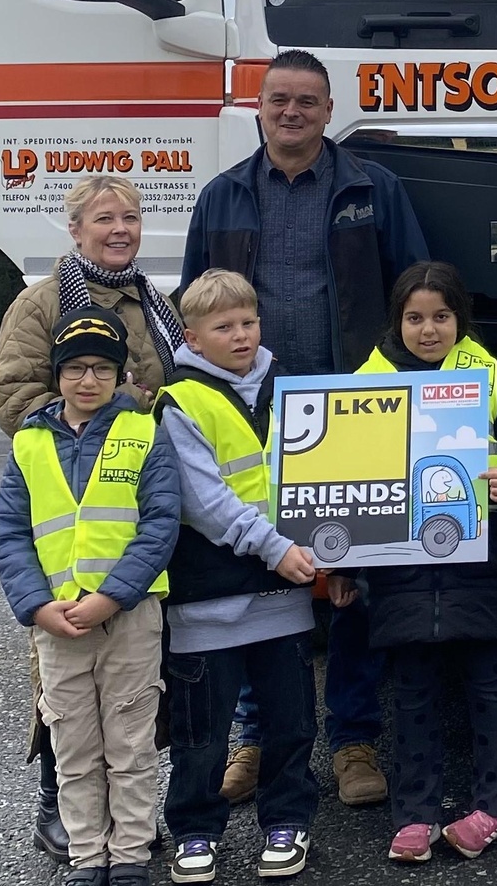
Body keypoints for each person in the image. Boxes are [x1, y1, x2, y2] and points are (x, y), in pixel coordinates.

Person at [182, 48, 430, 807]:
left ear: (329, 110)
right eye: (278, 99)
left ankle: (353, 738)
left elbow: (415, 290)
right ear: (258, 106)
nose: (291, 112)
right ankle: (257, 737)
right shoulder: (220, 197)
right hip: (249, 414)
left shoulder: (373, 188)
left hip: (351, 409)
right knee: (258, 571)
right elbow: (192, 309)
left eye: (307, 102)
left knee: (349, 572)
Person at [0, 175, 183, 862]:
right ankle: (60, 806)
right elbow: (13, 396)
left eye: (130, 216)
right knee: (65, 691)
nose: (120, 228)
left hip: (142, 493)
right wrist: (104, 414)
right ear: (75, 229)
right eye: (104, 218)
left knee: (133, 688)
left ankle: (128, 823)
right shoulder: (41, 303)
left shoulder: (154, 301)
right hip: (69, 509)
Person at [344, 262, 497, 864]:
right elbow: (348, 479)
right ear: (396, 321)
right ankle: (414, 815)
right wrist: (348, 569)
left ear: (461, 319)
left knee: (488, 687)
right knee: (411, 693)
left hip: (477, 562)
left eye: (441, 317)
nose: (428, 330)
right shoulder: (366, 381)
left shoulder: (495, 378)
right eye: (414, 318)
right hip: (400, 573)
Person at [155, 270, 321, 883]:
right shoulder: (178, 400)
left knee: (292, 723)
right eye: (223, 327)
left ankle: (288, 820)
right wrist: (275, 548)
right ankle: (196, 831)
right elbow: (202, 500)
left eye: (248, 321)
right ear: (193, 340)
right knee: (202, 736)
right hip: (207, 601)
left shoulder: (294, 387)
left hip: (284, 598)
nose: (240, 334)